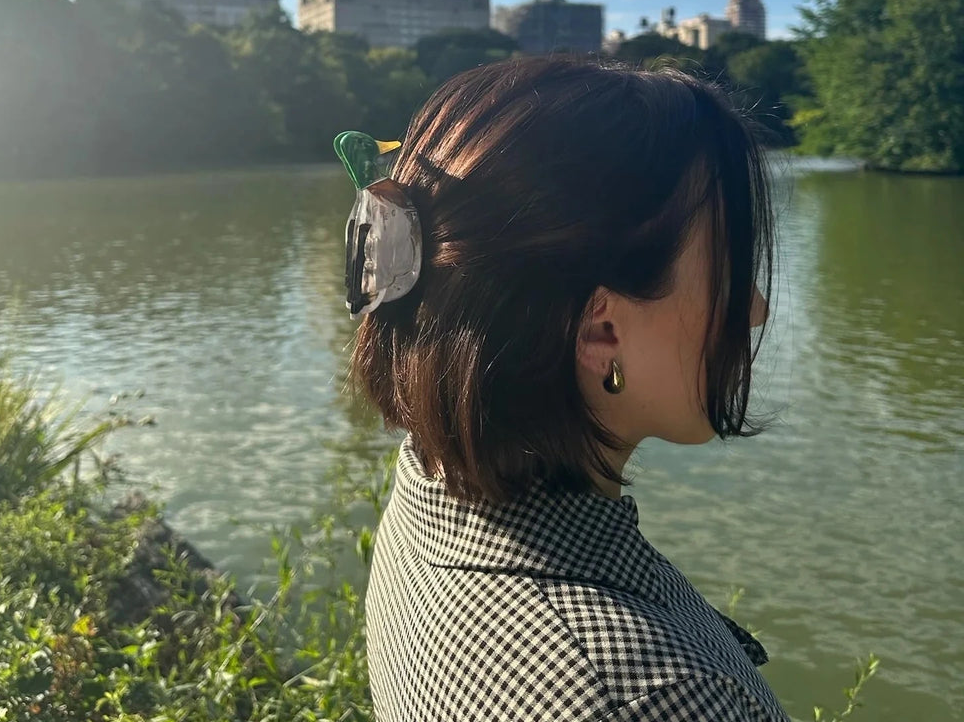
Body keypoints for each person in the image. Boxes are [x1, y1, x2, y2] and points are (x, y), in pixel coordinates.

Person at [337, 55, 791, 721]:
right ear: (600, 331)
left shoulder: (432, 485)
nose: (755, 309)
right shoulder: (653, 701)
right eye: (730, 270)